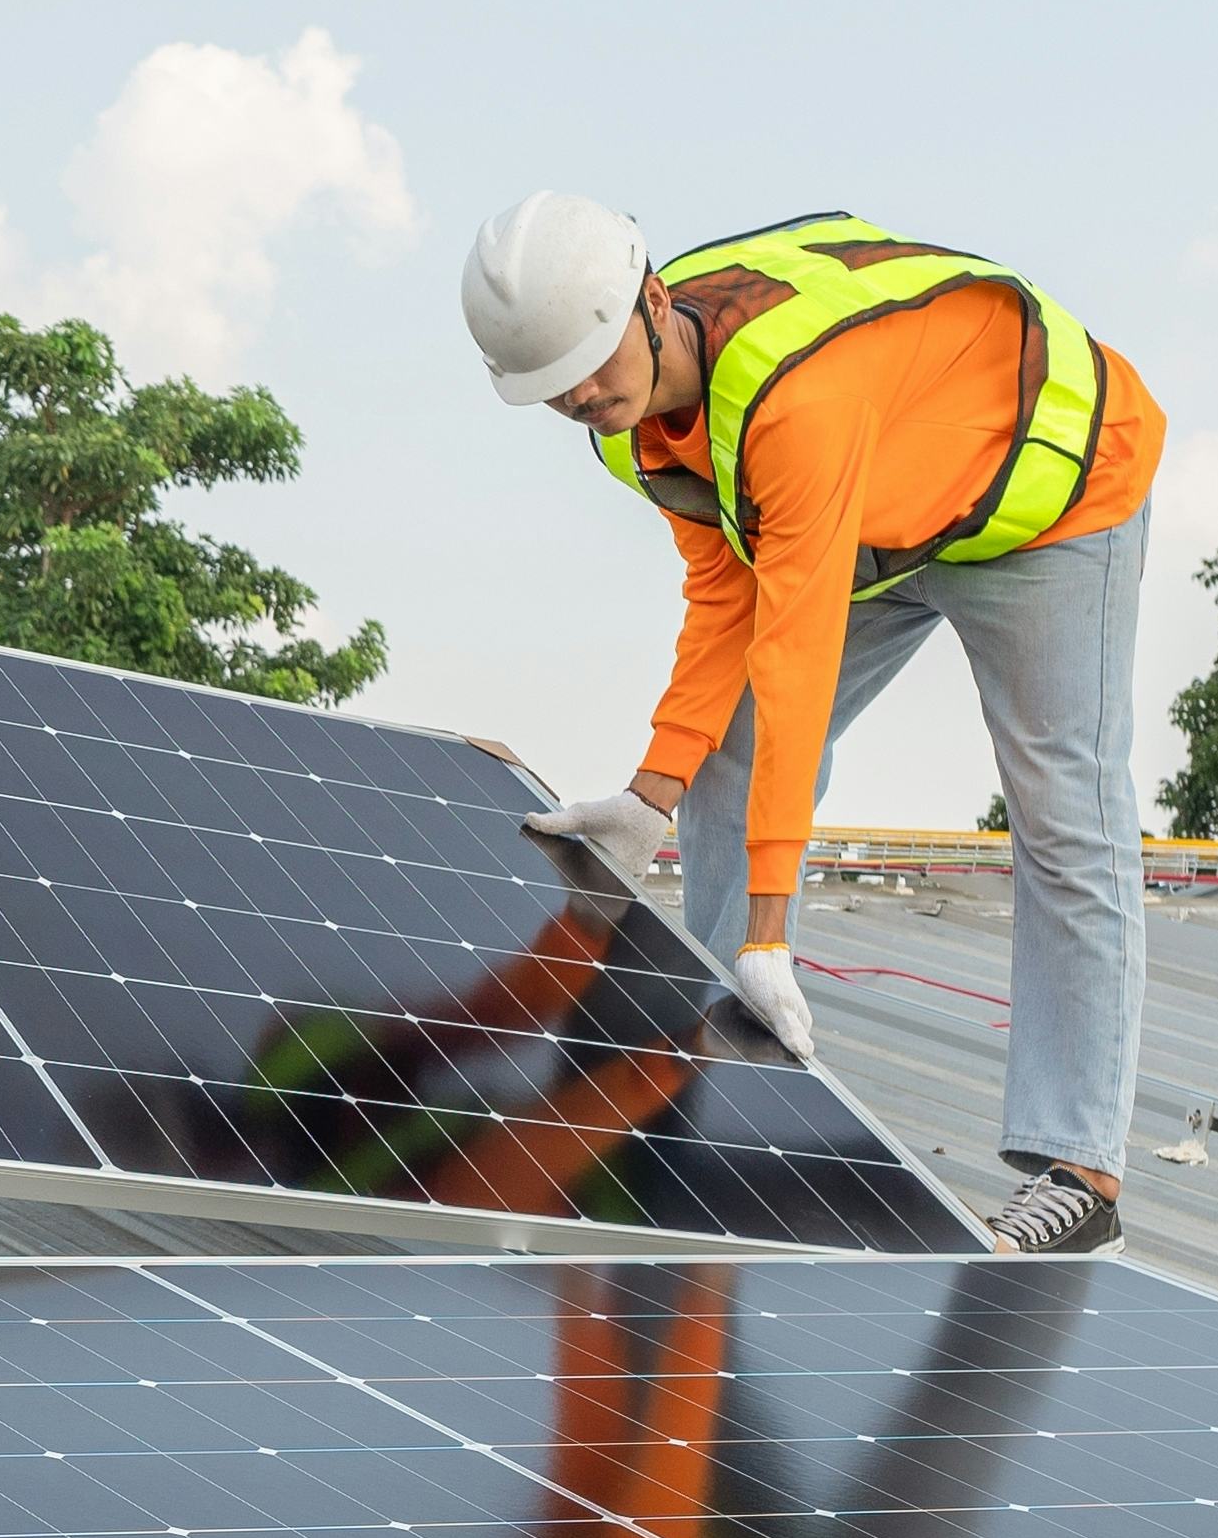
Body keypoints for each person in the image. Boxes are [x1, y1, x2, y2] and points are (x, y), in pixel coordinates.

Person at [459, 196, 1172, 1258]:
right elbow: (723, 597)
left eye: (593, 367)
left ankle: (1079, 1173)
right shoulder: (630, 424)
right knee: (726, 750)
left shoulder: (792, 402)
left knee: (1064, 810)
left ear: (652, 303)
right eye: (556, 392)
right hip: (884, 505)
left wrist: (770, 930)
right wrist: (654, 788)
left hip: (1047, 492)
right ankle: (700, 1085)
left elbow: (793, 652)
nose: (584, 397)